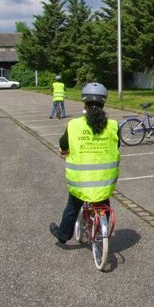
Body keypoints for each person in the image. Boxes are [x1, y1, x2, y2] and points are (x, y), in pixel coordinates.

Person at [49, 82, 120, 244]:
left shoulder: (74, 125)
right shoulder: (113, 126)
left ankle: (63, 235)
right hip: (104, 180)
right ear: (104, 102)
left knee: (73, 207)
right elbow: (116, 146)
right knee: (103, 203)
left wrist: (64, 152)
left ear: (84, 103)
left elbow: (64, 145)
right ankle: (101, 227)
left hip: (80, 182)